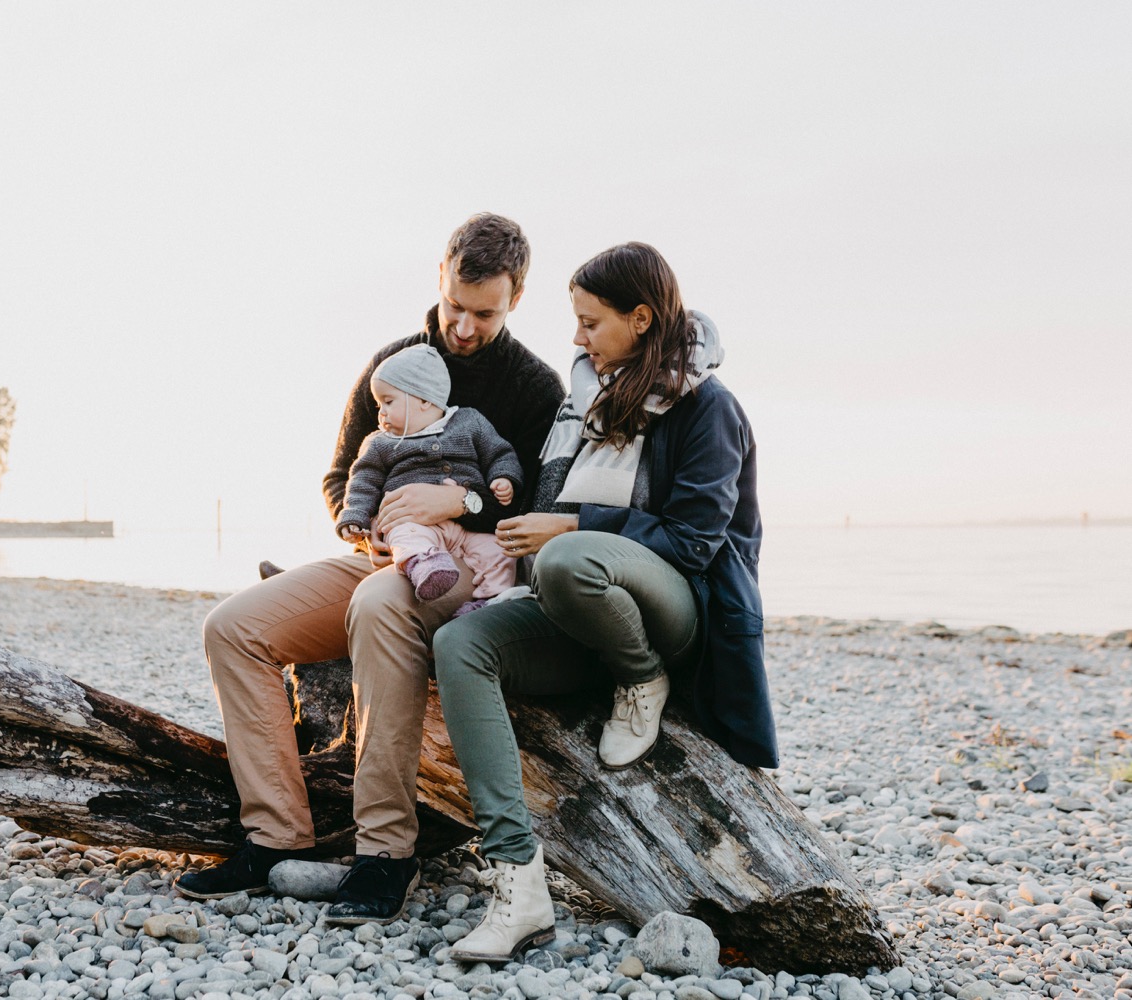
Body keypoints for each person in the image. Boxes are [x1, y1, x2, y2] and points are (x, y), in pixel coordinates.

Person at [174, 213, 564, 925]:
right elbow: (339, 476)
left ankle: (385, 853)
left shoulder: (535, 388)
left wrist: (463, 501)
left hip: (470, 574)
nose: (464, 326)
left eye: (484, 314)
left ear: (517, 298)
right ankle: (275, 837)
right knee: (233, 628)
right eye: (455, 305)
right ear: (439, 277)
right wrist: (363, 531)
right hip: (387, 558)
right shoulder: (392, 365)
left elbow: (536, 510)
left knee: (382, 604)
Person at [431, 241, 779, 963]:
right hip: (576, 603)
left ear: (640, 319)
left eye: (591, 323)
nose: (577, 337)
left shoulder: (708, 407)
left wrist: (569, 528)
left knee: (568, 556)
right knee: (460, 644)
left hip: (674, 612)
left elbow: (693, 543)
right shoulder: (586, 400)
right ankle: (518, 881)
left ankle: (641, 676)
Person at [336, 343, 523, 606]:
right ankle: (427, 568)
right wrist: (356, 516)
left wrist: (503, 477)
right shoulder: (380, 443)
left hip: (467, 527)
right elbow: (362, 481)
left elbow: (499, 452)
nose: (381, 413)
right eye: (379, 405)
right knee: (406, 538)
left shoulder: (470, 422)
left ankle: (489, 601)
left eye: (388, 402)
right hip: (413, 523)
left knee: (499, 550)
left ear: (424, 400)